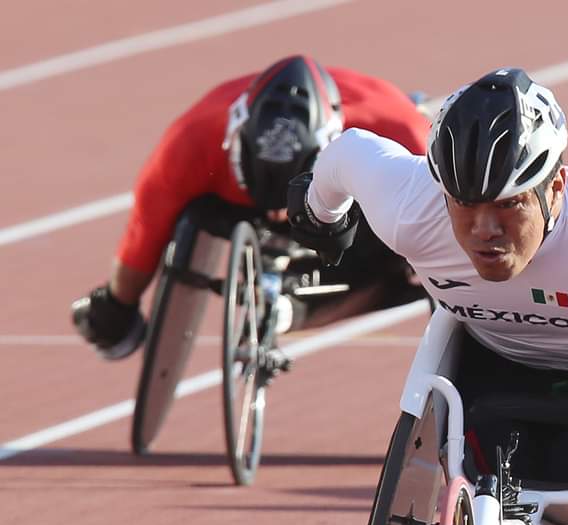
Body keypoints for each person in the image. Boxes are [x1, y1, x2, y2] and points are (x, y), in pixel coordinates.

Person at [288, 66, 568, 466]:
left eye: (510, 204)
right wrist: (319, 215)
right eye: (464, 204)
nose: (485, 229)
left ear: (556, 187)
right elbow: (345, 155)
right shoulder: (409, 207)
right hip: (489, 370)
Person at [72, 55, 431, 359]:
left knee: (416, 259)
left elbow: (448, 230)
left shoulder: (398, 137)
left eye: (284, 208)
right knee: (110, 320)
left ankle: (296, 305)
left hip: (346, 203)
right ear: (234, 143)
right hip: (234, 206)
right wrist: (118, 304)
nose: (279, 216)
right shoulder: (191, 141)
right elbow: (144, 233)